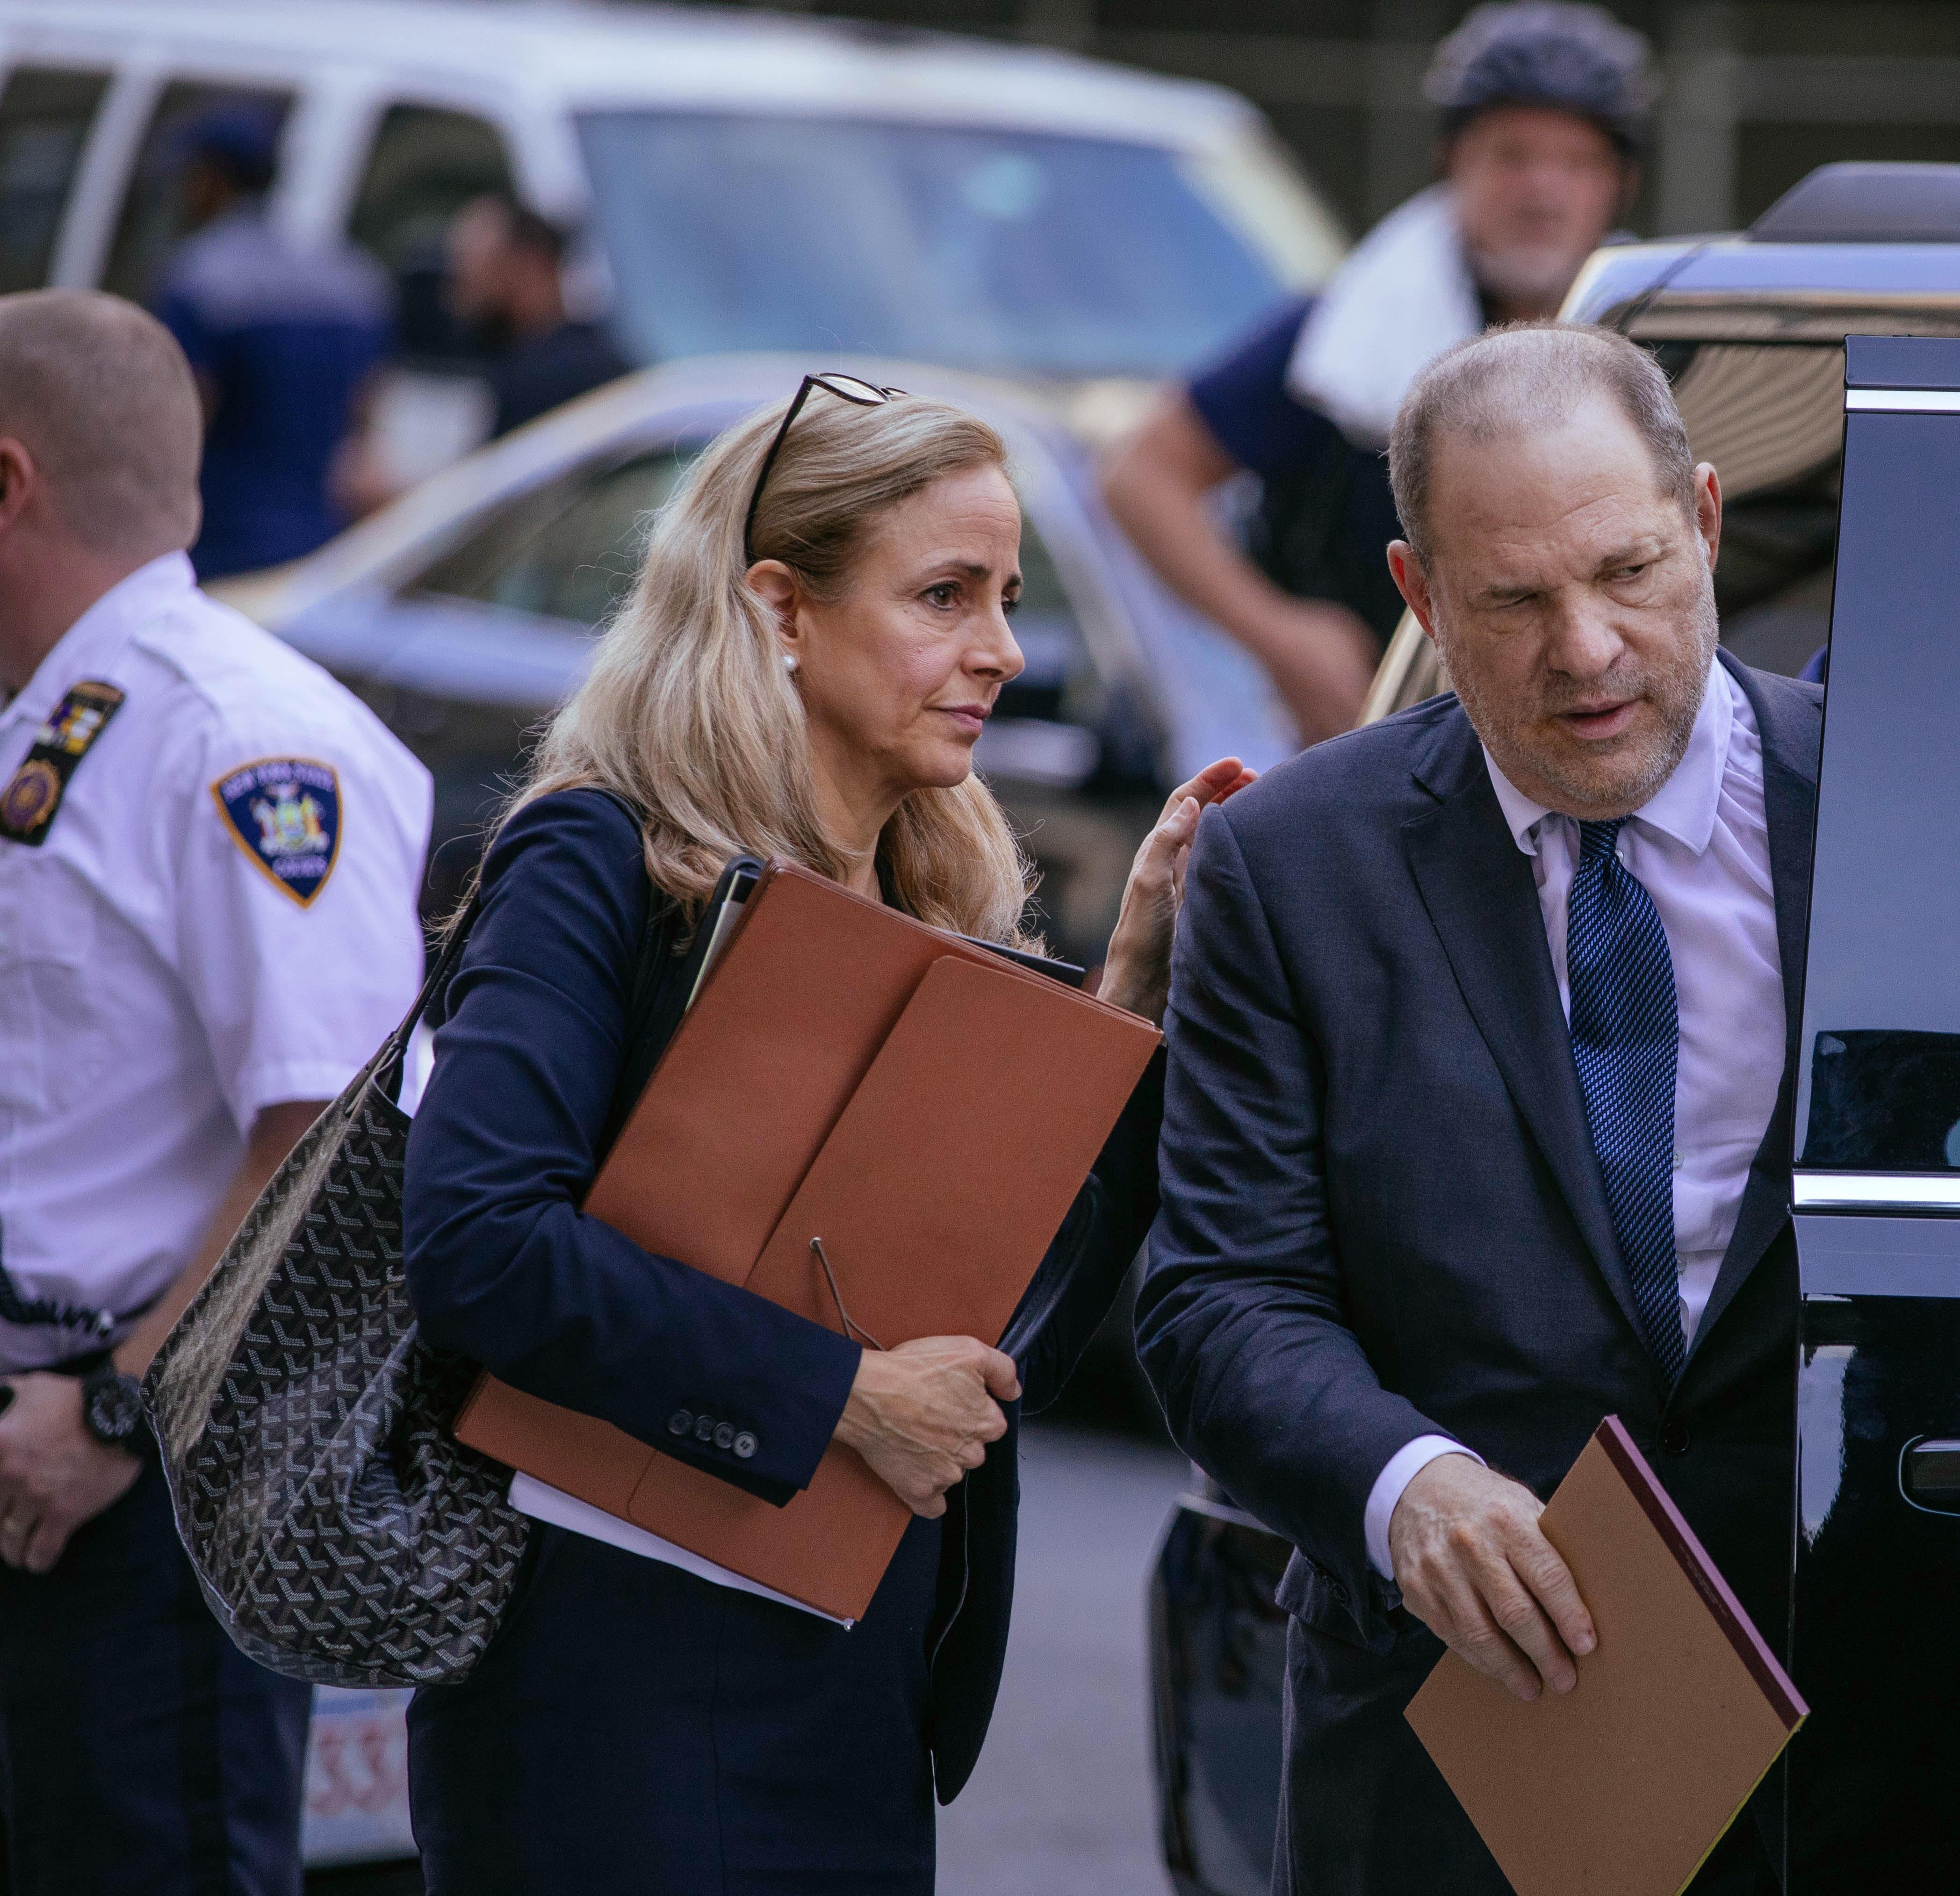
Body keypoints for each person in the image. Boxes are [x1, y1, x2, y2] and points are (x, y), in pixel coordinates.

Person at [398, 371, 1252, 1892]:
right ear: (779, 607)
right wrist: (841, 1395)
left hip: (848, 1692)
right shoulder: (597, 854)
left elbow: (996, 1358)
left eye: (1004, 596)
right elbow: (478, 1247)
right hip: (616, 1687)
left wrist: (1128, 998)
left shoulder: (935, 901)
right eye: (945, 596)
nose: (1000, 649)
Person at [1138, 322, 1818, 1896]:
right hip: (1453, 1739)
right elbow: (1219, 1294)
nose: (1584, 649)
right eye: (1512, 602)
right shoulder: (1292, 864)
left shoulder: (1892, 806)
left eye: (1629, 572)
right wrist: (1402, 1485)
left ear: (1705, 522)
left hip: (1847, 1728)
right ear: (1420, 595)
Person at [0, 289, 432, 1893]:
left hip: (130, 1481)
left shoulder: (246, 744)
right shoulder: (66, 716)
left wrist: (120, 1403)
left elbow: (334, 1135)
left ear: (7, 483)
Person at [1101, 2, 1648, 745]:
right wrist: (1282, 636)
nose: (1542, 190)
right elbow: (1141, 473)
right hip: (1375, 760)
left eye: (1575, 162)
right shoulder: (1350, 330)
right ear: (1452, 161)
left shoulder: (1660, 340)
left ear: (1619, 184)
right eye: (1512, 155)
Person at [146, 109, 392, 579]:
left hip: (223, 546)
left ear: (211, 179)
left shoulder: (202, 281)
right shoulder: (349, 280)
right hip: (322, 546)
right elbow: (363, 428)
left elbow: (181, 425)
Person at [445, 195, 630, 440]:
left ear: (530, 263)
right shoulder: (507, 368)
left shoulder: (555, 378)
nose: (458, 295)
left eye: (473, 270)